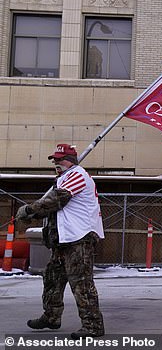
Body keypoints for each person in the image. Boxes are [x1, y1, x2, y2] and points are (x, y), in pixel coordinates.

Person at [15, 144, 105, 338]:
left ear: (71, 160)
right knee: (52, 279)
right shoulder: (64, 178)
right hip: (63, 240)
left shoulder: (77, 175)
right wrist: (36, 214)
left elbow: (57, 199)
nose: (56, 162)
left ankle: (93, 325)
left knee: (81, 283)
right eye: (54, 159)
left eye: (60, 159)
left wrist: (30, 210)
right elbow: (54, 207)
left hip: (79, 239)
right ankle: (51, 317)